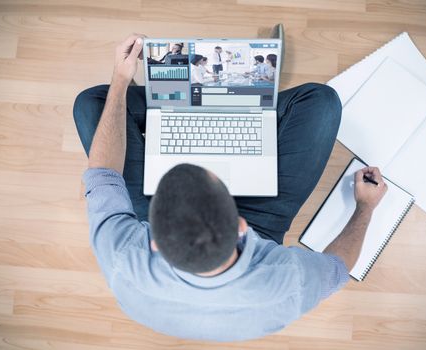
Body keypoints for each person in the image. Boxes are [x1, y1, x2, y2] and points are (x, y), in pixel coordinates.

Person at [73, 33, 388, 342]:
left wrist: (120, 78)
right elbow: (339, 267)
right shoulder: (287, 282)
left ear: (154, 242)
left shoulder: (121, 256)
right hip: (263, 223)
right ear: (240, 226)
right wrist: (365, 207)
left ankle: (185, 105)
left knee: (91, 102)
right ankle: (231, 105)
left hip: (182, 233)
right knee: (321, 101)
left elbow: (103, 171)